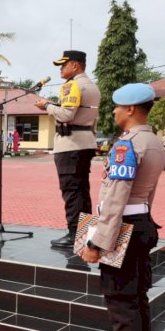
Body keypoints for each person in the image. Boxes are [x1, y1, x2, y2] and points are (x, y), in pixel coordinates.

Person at [80, 83, 165, 331]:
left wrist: (98, 242)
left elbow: (115, 199)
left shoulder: (126, 146)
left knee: (121, 302)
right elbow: (147, 193)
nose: (113, 112)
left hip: (123, 227)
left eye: (116, 107)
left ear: (130, 109)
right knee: (136, 298)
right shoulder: (154, 142)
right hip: (141, 222)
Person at [34, 50, 101, 248]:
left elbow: (66, 114)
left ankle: (74, 234)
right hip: (85, 141)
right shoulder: (92, 86)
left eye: (64, 65)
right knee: (81, 190)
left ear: (76, 66)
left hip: (71, 144)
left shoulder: (73, 85)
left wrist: (46, 105)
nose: (61, 69)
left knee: (71, 191)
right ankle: (85, 232)